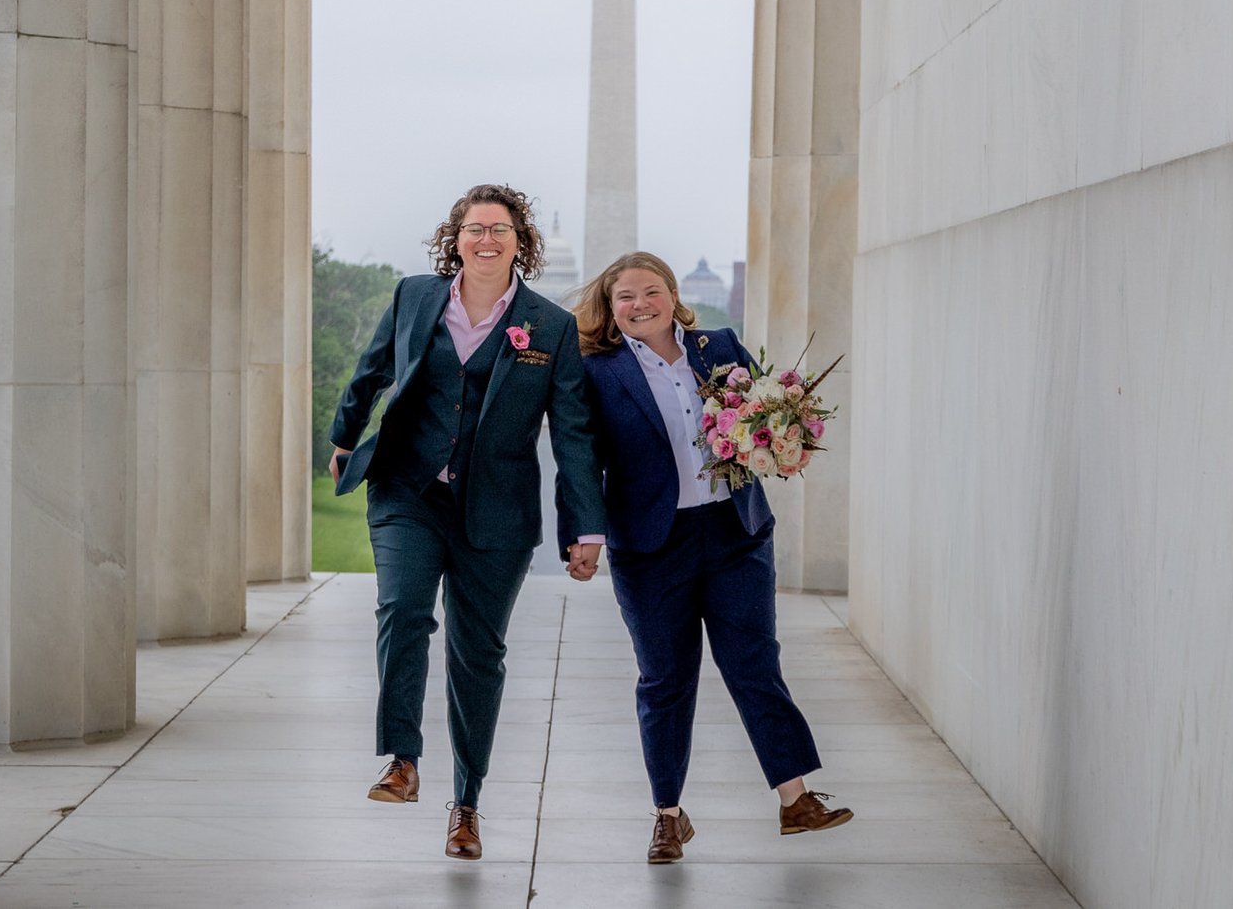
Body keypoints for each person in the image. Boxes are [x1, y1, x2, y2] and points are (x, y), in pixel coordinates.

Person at [328, 183, 608, 861]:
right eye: (474, 228)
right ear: (455, 238)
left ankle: (467, 804)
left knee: (476, 658)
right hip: (408, 491)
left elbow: (572, 433)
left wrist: (586, 528)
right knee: (401, 611)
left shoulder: (552, 326)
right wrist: (343, 436)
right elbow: (372, 372)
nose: (486, 239)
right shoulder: (415, 296)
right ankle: (401, 759)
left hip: (498, 512)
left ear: (521, 242)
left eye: (500, 229)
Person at [561, 251, 855, 864]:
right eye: (625, 298)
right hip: (650, 547)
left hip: (736, 535)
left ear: (673, 295)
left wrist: (787, 444)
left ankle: (796, 799)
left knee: (754, 665)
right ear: (611, 309)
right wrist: (583, 533)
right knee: (666, 679)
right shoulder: (600, 370)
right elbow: (581, 460)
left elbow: (767, 419)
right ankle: (667, 816)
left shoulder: (718, 346)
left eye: (650, 292)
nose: (639, 305)